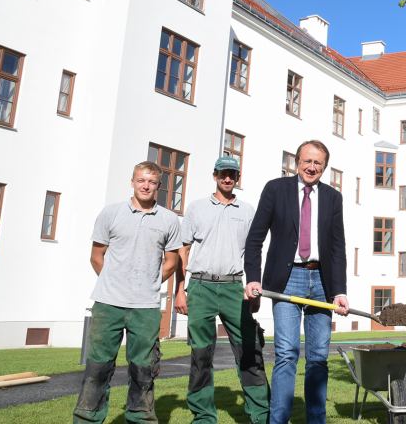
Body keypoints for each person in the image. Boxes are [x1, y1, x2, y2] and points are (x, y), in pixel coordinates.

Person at [244, 140, 348, 424]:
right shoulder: (275, 189)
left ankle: (316, 420)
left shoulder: (332, 198)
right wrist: (253, 277)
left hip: (322, 282)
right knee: (287, 353)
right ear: (296, 162)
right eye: (307, 161)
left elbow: (338, 247)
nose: (311, 167)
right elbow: (255, 239)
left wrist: (339, 291)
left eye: (318, 163)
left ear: (324, 167)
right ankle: (278, 420)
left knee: (317, 357)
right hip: (286, 279)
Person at [72, 161, 182, 423]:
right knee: (98, 368)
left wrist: (150, 283)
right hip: (108, 303)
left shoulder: (169, 220)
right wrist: (115, 282)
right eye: (141, 180)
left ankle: (141, 418)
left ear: (159, 185)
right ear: (132, 182)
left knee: (143, 369)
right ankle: (87, 419)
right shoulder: (110, 214)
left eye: (152, 182)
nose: (146, 186)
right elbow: (96, 257)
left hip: (145, 307)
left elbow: (171, 261)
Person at [175, 156, 270, 423]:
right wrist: (180, 290)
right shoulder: (196, 208)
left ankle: (260, 415)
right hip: (201, 286)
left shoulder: (248, 211)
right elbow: (183, 250)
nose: (227, 178)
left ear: (238, 178)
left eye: (232, 174)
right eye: (222, 173)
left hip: (233, 288)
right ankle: (203, 416)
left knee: (249, 351)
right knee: (201, 356)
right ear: (214, 175)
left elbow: (254, 251)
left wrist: (254, 286)